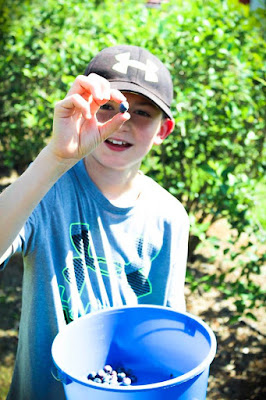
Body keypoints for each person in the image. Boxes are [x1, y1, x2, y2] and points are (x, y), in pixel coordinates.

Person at [0, 45, 189, 400]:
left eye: (142, 112)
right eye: (109, 107)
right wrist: (55, 158)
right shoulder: (48, 192)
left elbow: (167, 326)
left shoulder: (169, 217)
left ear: (164, 130)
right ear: (85, 108)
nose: (123, 122)